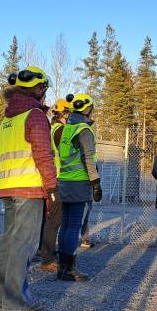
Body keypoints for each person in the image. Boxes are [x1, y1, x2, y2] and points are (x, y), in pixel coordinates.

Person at [0, 67, 60, 311]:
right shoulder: (35, 116)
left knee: (8, 242)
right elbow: (43, 154)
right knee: (24, 244)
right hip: (30, 189)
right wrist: (52, 188)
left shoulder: (8, 120)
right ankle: (16, 302)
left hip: (8, 187)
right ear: (39, 89)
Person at [57, 93, 101, 281]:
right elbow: (88, 158)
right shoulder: (83, 130)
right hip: (79, 182)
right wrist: (96, 183)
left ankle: (62, 267)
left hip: (64, 181)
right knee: (74, 226)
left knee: (65, 225)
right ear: (88, 109)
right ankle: (69, 269)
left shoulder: (67, 128)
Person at [33, 98, 71, 271]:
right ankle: (47, 256)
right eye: (69, 112)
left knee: (46, 217)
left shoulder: (52, 127)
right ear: (64, 113)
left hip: (48, 176)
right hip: (56, 177)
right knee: (54, 217)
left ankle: (43, 250)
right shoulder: (60, 130)